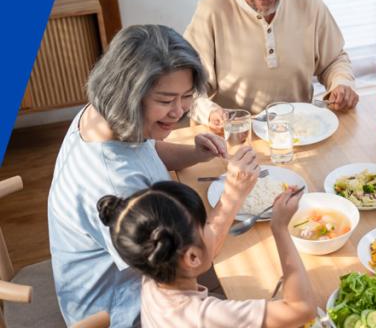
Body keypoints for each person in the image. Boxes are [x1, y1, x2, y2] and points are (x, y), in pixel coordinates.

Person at [48, 24, 232, 326]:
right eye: (165, 100)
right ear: (128, 94)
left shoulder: (101, 117)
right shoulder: (114, 182)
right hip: (126, 312)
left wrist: (195, 154)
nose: (179, 111)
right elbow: (186, 263)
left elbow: (144, 151)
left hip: (124, 279)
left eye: (186, 96)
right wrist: (233, 196)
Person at [97, 176, 316, 327]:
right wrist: (279, 228)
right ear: (192, 257)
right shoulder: (206, 316)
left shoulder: (152, 270)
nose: (211, 228)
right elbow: (302, 309)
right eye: (205, 226)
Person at [186, 0, 359, 133]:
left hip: (299, 133)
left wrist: (341, 83)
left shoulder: (308, 1)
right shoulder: (211, 11)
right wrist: (210, 112)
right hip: (237, 137)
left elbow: (334, 60)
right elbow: (188, 89)